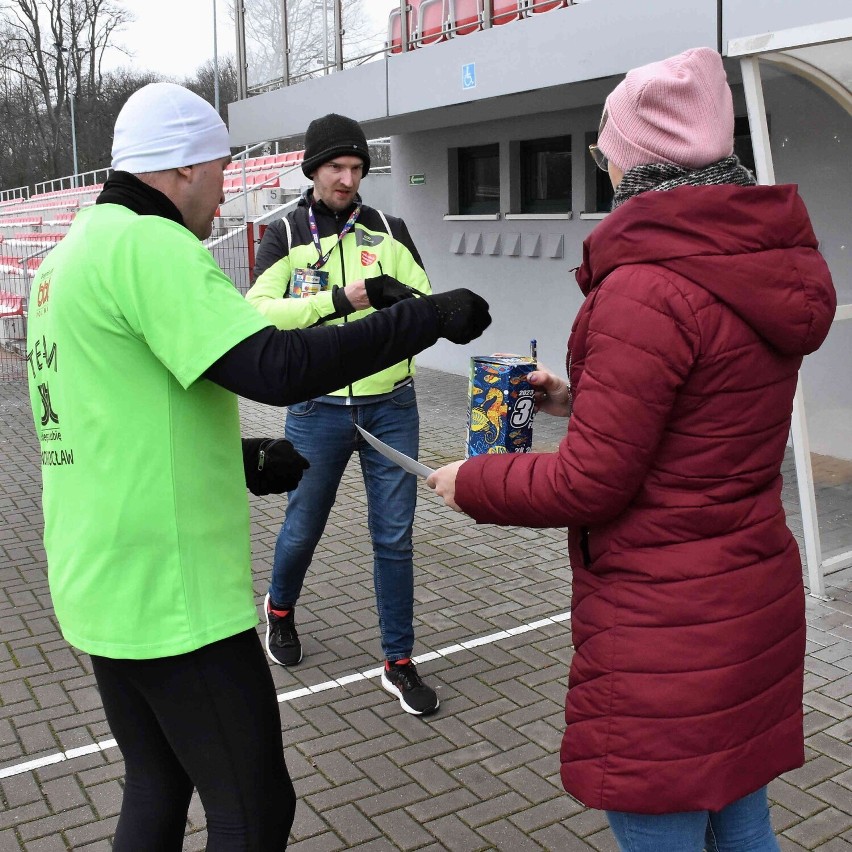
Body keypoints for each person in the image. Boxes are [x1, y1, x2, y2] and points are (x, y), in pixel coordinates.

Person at [25, 83, 490, 851]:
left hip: (98, 580)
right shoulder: (150, 246)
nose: (223, 193)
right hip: (170, 593)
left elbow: (103, 413)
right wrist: (424, 317)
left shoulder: (68, 257)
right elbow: (275, 366)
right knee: (254, 808)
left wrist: (232, 456)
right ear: (180, 171)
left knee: (159, 781)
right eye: (218, 169)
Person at [427, 47, 836, 851]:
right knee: (744, 822)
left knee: (664, 827)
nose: (603, 167)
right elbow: (708, 408)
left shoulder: (644, 285)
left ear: (639, 158)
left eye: (606, 150)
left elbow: (591, 484)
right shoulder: (752, 260)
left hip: (666, 627)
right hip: (746, 599)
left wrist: (475, 481)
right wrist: (581, 399)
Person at [245, 113, 438, 716]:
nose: (348, 179)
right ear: (313, 169)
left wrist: (401, 312)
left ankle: (398, 661)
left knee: (396, 535)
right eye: (337, 168)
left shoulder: (388, 227)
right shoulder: (283, 230)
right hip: (317, 405)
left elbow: (425, 307)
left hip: (391, 405)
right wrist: (337, 300)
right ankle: (278, 608)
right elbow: (258, 314)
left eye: (357, 168)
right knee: (304, 525)